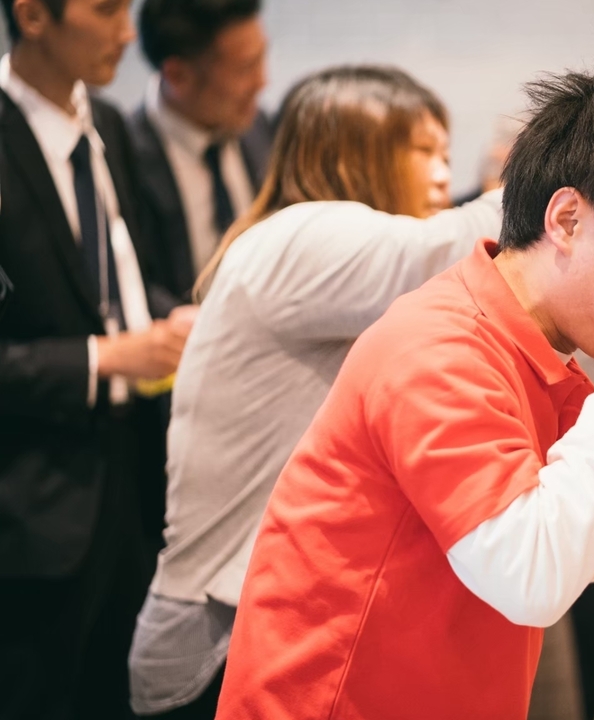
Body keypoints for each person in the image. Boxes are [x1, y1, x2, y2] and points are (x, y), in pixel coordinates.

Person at [215, 59, 594, 719]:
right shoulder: (440, 347)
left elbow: (589, 553)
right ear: (567, 220)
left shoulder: (540, 355)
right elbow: (532, 578)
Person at [126, 65, 489, 720]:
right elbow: (450, 249)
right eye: (424, 151)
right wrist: (565, 179)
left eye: (447, 154)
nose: (443, 175)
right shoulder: (299, 238)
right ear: (356, 152)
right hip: (219, 639)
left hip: (268, 622)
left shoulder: (315, 256)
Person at [0, 0, 193, 717]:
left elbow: (128, 280)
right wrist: (105, 358)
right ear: (33, 16)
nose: (126, 31)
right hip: (32, 500)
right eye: (106, 9)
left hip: (136, 472)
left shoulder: (106, 122)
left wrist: (174, 318)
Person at [128, 0, 271, 302]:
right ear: (178, 75)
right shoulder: (123, 155)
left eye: (262, 57)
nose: (262, 82)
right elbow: (134, 287)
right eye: (246, 68)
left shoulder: (260, 127)